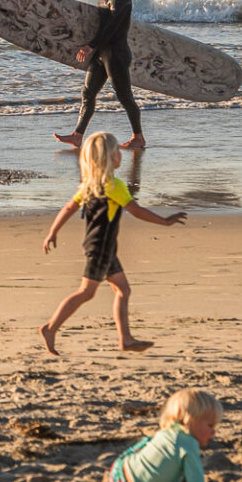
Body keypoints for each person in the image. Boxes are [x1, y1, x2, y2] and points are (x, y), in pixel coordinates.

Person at [38, 132, 186, 356]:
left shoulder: (88, 185)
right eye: (117, 151)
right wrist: (164, 221)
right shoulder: (114, 185)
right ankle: (50, 328)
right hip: (101, 248)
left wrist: (52, 232)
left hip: (98, 246)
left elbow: (68, 208)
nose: (121, 155)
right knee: (86, 292)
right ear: (109, 158)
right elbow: (135, 210)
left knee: (123, 290)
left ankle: (125, 338)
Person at [55, 0, 145, 150]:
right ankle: (77, 135)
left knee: (124, 96)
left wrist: (90, 46)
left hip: (116, 55)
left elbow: (112, 28)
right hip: (100, 54)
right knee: (87, 93)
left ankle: (138, 137)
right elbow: (96, 27)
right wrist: (81, 51)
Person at [105, 390, 223, 482]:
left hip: (118, 474)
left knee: (152, 441)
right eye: (210, 425)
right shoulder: (190, 445)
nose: (214, 431)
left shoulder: (168, 431)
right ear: (190, 420)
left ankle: (108, 479)